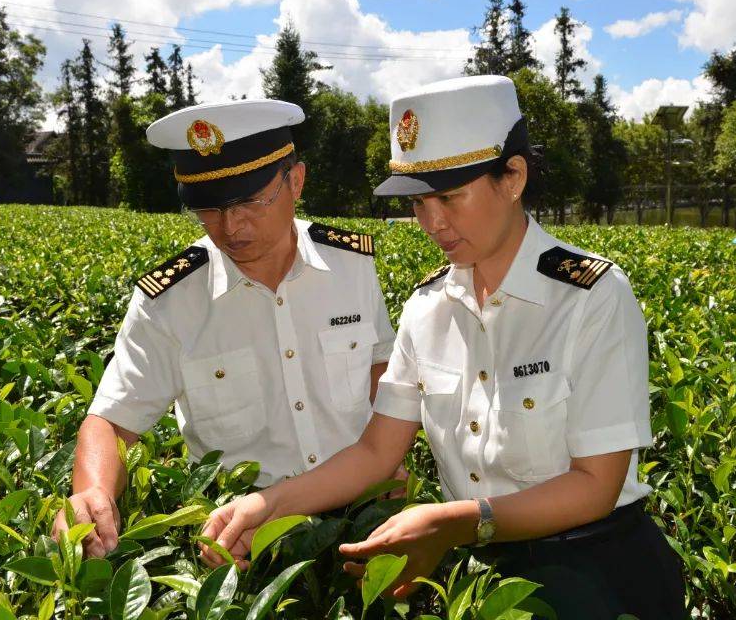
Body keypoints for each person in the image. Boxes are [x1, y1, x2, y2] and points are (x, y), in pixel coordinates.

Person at [198, 77, 685, 619]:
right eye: (418, 201)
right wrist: (268, 505)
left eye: (450, 196)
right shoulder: (427, 308)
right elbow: (377, 452)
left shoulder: (590, 297)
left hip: (599, 573)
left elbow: (595, 486)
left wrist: (457, 522)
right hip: (481, 576)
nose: (432, 222)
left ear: (513, 177)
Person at [52, 99, 397, 559]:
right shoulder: (170, 301)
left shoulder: (350, 266)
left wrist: (393, 473)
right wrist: (93, 492)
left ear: (295, 181)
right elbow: (113, 418)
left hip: (364, 514)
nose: (230, 226)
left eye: (249, 201)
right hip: (240, 533)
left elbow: (380, 371)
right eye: (208, 209)